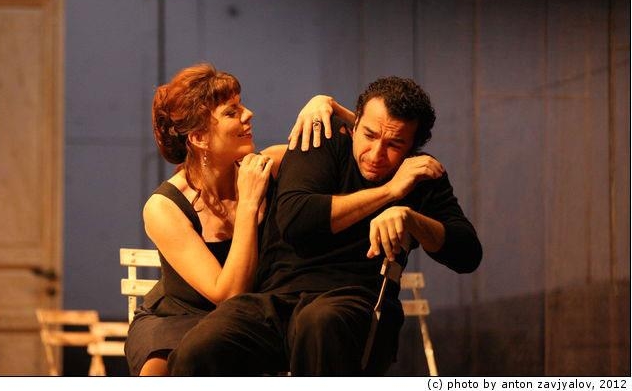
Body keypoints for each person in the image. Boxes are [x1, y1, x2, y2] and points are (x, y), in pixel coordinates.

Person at [168, 76, 483, 376]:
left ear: (413, 148)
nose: (376, 154)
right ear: (353, 125)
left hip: (355, 303)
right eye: (369, 135)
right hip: (276, 301)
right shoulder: (321, 141)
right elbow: (297, 220)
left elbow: (468, 254)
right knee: (199, 349)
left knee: (319, 322)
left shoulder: (419, 175)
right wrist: (388, 192)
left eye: (395, 144)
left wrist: (413, 220)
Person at [124, 63, 351, 376]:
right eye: (232, 112)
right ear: (199, 137)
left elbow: (359, 153)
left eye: (241, 105)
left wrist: (329, 106)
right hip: (178, 320)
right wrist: (248, 204)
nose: (248, 114)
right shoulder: (165, 207)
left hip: (252, 318)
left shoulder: (268, 165)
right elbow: (228, 296)